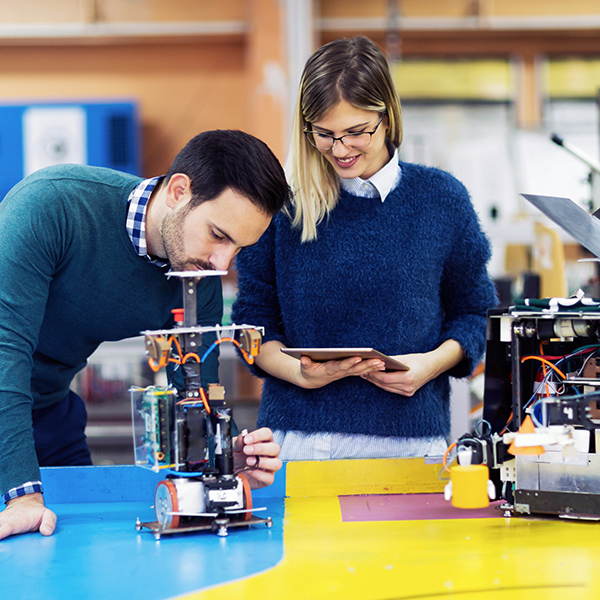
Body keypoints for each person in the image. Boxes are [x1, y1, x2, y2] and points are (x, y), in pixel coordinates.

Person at [0, 129, 291, 540]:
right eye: (219, 235)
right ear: (177, 191)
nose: (221, 264)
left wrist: (223, 460)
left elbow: (195, 395)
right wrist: (22, 496)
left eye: (239, 249)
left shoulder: (198, 278)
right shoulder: (53, 207)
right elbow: (4, 354)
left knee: (73, 545)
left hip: (48, 412)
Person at [231, 36, 497, 461]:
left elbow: (475, 312)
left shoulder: (440, 199)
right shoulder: (283, 205)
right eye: (324, 134)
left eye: (356, 132)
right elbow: (252, 323)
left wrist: (429, 366)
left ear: (387, 118)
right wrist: (300, 374)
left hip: (411, 445)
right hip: (298, 443)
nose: (340, 150)